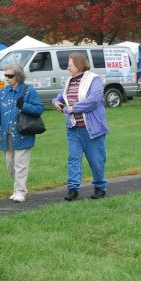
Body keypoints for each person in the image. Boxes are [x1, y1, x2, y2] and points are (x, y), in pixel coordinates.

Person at [53, 54, 109, 201]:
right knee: (73, 158)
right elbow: (61, 96)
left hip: (91, 129)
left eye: (70, 65)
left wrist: (73, 109)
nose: (68, 68)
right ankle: (73, 189)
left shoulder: (94, 80)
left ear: (79, 65)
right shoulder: (69, 81)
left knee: (96, 160)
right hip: (73, 128)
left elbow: (94, 100)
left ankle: (100, 187)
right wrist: (55, 102)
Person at [0, 63, 43, 202]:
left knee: (20, 164)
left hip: (23, 133)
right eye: (5, 75)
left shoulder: (29, 91)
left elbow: (39, 109)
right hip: (6, 135)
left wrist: (23, 106)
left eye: (10, 76)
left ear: (18, 76)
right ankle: (17, 188)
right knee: (10, 165)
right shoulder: (3, 92)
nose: (7, 78)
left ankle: (20, 192)